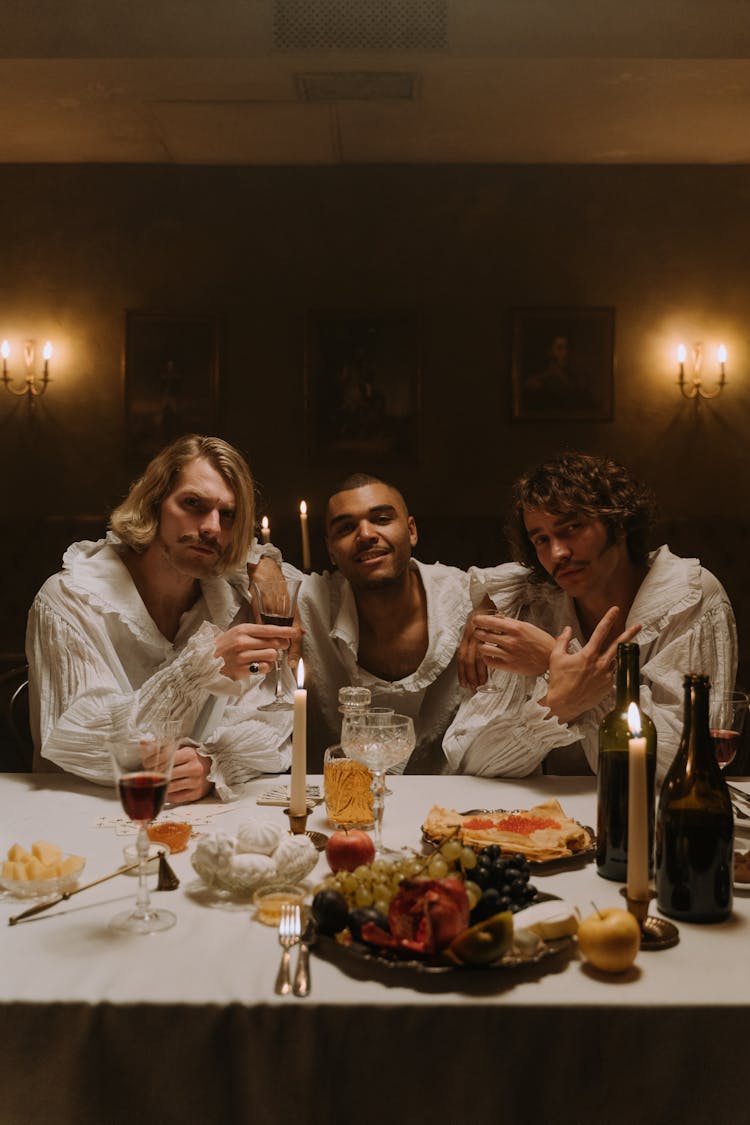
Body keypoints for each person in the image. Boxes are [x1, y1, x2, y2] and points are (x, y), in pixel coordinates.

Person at [27, 434, 296, 803]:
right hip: (78, 814)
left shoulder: (235, 600)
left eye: (227, 514)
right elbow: (76, 738)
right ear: (153, 505)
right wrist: (201, 668)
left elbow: (273, 720)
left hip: (196, 820)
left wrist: (214, 763)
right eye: (193, 504)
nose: (212, 528)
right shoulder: (70, 598)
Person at [444, 451, 737, 781]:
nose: (558, 553)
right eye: (541, 539)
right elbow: (472, 763)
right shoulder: (529, 603)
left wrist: (557, 665)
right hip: (545, 823)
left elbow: (690, 765)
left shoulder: (687, 595)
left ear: (619, 522)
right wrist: (557, 706)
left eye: (572, 528)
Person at [291, 474, 472, 772]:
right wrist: (265, 566)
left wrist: (487, 606)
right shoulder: (311, 601)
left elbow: (523, 581)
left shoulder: (465, 599)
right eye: (346, 527)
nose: (365, 534)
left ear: (411, 531)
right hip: (340, 808)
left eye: (382, 518)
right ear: (331, 552)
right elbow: (234, 570)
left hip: (449, 808)